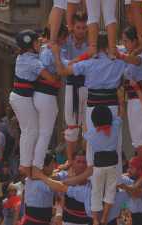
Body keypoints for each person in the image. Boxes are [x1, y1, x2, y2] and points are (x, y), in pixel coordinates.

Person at [53, 32, 128, 177]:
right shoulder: (119, 61)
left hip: (93, 106)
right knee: (116, 143)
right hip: (111, 104)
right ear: (108, 45)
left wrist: (56, 54)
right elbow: (127, 52)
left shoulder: (88, 63)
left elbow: (62, 70)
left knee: (92, 145)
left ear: (94, 46)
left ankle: (92, 176)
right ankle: (115, 177)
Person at [9, 29, 55, 177]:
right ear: (30, 45)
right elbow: (50, 78)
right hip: (22, 98)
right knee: (31, 130)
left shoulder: (25, 56)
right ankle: (25, 165)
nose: (39, 44)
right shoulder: (32, 61)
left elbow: (40, 49)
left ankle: (26, 164)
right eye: (36, 42)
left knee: (29, 130)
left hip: (20, 97)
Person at [32, 24, 68, 178]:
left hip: (40, 94)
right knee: (45, 134)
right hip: (46, 94)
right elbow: (63, 68)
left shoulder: (43, 48)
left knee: (40, 133)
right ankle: (37, 166)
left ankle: (35, 164)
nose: (66, 40)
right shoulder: (52, 51)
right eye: (65, 37)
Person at [117, 26, 142, 158]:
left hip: (141, 101)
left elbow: (133, 60)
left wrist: (139, 49)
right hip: (132, 100)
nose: (124, 44)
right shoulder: (128, 51)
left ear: (134, 41)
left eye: (126, 41)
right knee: (136, 141)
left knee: (141, 140)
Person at [84, 105, 122, 225]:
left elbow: (84, 131)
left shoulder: (91, 133)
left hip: (98, 166)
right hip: (112, 165)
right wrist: (120, 102)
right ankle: (105, 217)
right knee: (110, 191)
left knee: (96, 191)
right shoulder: (115, 127)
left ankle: (95, 219)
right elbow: (121, 115)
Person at [62, 11, 89, 167]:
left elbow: (71, 64)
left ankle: (87, 159)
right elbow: (65, 63)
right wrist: (79, 62)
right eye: (78, 27)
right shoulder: (66, 42)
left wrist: (74, 64)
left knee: (87, 126)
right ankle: (70, 160)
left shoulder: (91, 43)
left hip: (87, 84)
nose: (81, 30)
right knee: (71, 124)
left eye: (84, 28)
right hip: (72, 84)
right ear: (73, 27)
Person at [20, 153, 60, 225]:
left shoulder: (32, 178)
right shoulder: (38, 182)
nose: (54, 167)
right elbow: (57, 184)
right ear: (44, 166)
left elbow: (54, 175)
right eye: (52, 165)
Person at [118, 156, 142, 225]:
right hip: (127, 215)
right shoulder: (129, 180)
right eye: (128, 167)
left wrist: (125, 187)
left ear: (140, 170)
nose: (128, 170)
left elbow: (136, 194)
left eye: (131, 168)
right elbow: (115, 178)